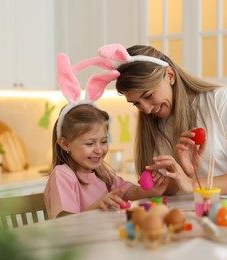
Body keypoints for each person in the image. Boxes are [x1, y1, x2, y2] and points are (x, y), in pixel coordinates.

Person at [96, 43, 227, 195]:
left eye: (148, 95)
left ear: (170, 75)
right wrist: (183, 173)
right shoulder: (152, 124)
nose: (146, 109)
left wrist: (193, 184)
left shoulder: (220, 100)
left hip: (224, 217)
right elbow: (161, 189)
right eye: (136, 103)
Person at [44, 53, 169, 219]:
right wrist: (98, 205)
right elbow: (62, 221)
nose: (99, 150)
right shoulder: (63, 175)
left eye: (103, 141)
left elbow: (127, 192)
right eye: (89, 144)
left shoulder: (101, 173)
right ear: (65, 144)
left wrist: (149, 191)